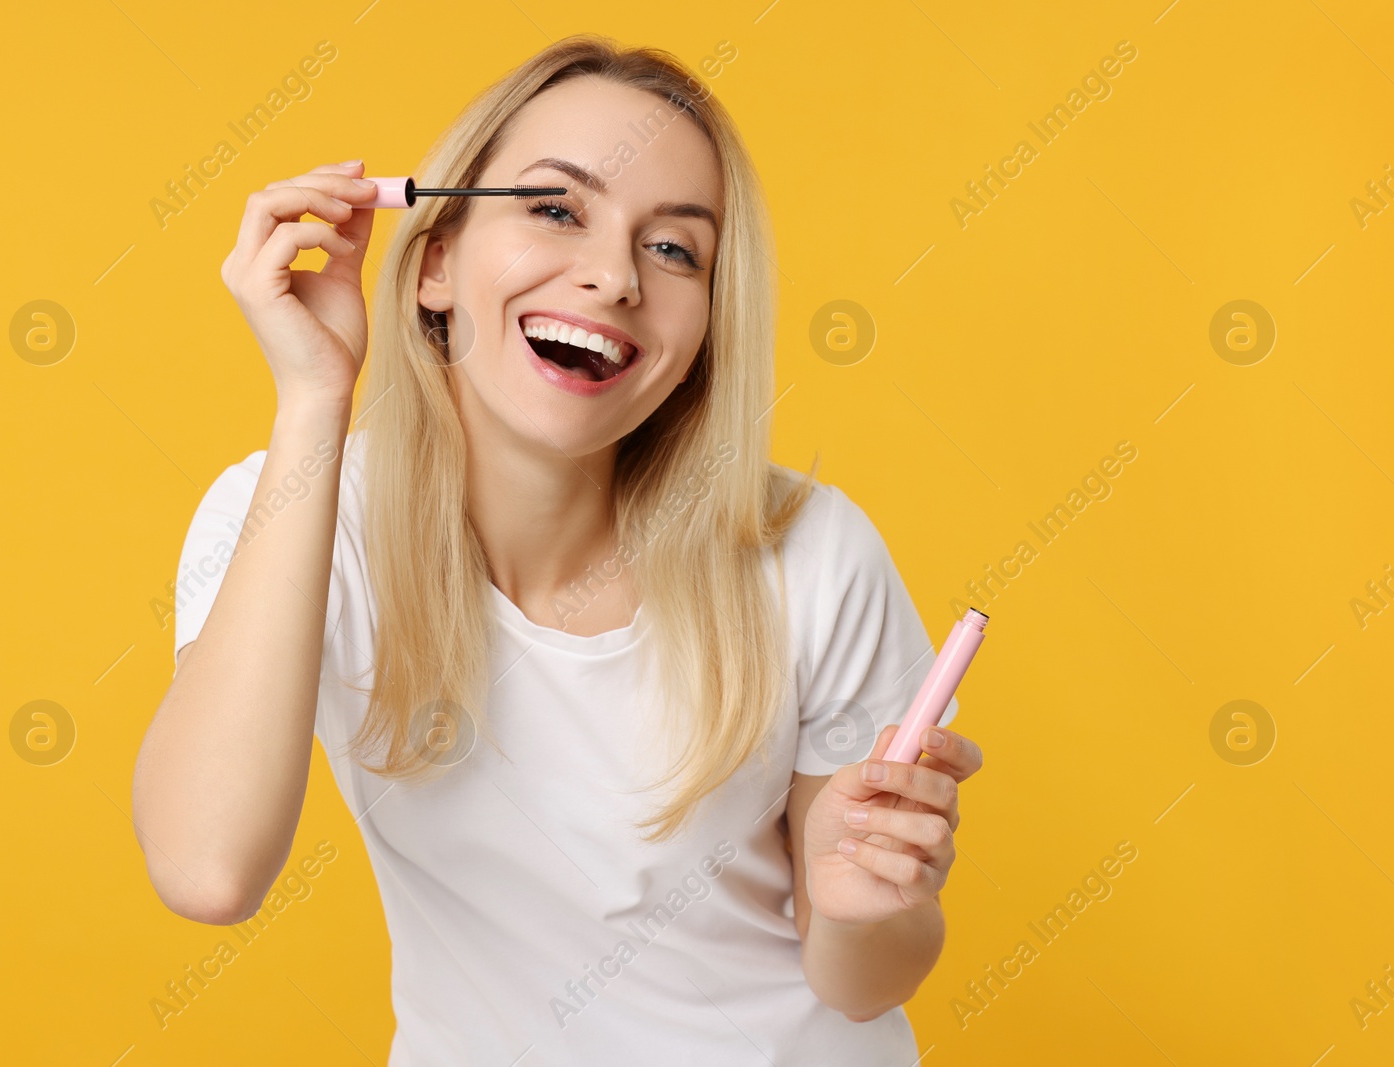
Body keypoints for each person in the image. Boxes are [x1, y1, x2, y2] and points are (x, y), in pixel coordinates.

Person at [131, 33, 984, 1066]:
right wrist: (313, 394)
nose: (614, 276)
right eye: (554, 209)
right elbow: (207, 868)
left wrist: (860, 907)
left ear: (706, 326)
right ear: (435, 261)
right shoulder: (296, 516)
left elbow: (863, 984)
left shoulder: (809, 550)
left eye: (674, 248)